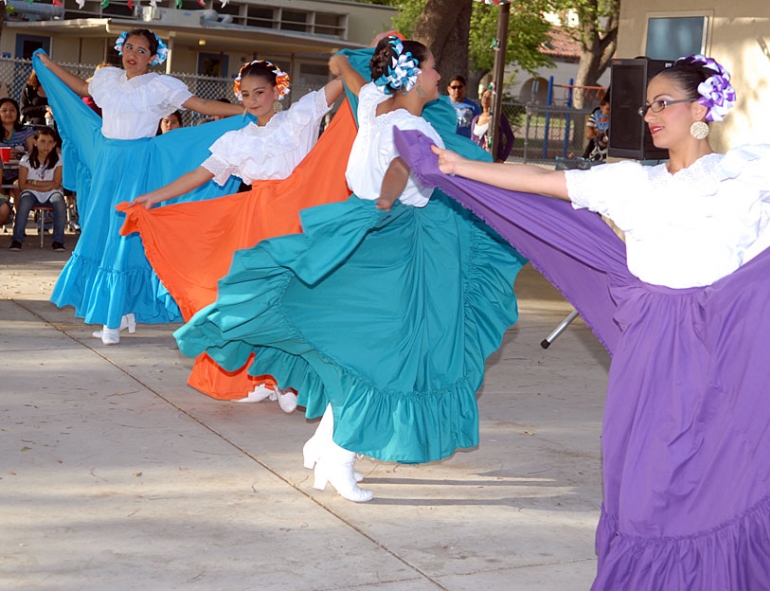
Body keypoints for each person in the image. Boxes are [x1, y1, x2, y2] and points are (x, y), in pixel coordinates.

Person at [412, 54, 770, 590]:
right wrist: (458, 166)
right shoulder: (630, 181)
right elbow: (540, 179)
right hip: (650, 340)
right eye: (648, 105)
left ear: (701, 110)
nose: (649, 115)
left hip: (727, 335)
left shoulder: (746, 171)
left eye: (662, 103)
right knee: (643, 470)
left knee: (726, 467)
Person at [173, 36, 523, 503]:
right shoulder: (412, 128)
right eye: (433, 67)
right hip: (395, 243)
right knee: (382, 355)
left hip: (368, 231)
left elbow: (348, 70)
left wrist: (353, 57)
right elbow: (404, 162)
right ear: (414, 76)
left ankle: (325, 445)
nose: (440, 75)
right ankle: (338, 452)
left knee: (365, 349)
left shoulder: (375, 100)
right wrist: (388, 195)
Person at [127, 59, 353, 412]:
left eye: (260, 92)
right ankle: (265, 376)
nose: (252, 100)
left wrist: (370, 52)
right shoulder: (237, 139)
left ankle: (292, 381)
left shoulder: (300, 117)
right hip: (256, 220)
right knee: (257, 300)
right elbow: (200, 173)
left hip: (298, 217)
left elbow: (340, 81)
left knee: (297, 298)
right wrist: (156, 196)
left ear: (278, 89)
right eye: (245, 94)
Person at [34, 28, 246, 345]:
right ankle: (122, 313)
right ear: (121, 48)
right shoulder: (108, 80)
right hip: (107, 161)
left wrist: (247, 111)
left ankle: (112, 321)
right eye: (129, 47)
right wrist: (49, 65)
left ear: (153, 57)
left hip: (136, 164)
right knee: (103, 229)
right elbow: (81, 87)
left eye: (142, 51)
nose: (133, 54)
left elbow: (201, 104)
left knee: (124, 233)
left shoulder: (159, 86)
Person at [8, 126, 65, 252]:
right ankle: (17, 239)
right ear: (35, 142)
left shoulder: (58, 159)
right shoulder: (26, 160)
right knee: (24, 201)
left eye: (50, 142)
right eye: (43, 141)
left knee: (59, 202)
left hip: (52, 192)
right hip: (31, 192)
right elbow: (22, 185)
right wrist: (45, 185)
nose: (46, 146)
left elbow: (56, 183)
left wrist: (33, 182)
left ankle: (58, 240)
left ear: (55, 144)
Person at [470, 88, 514, 162]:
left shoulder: (499, 118)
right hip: (476, 159)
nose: (485, 99)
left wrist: (502, 158)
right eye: (484, 96)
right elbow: (472, 140)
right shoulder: (476, 119)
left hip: (492, 159)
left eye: (489, 97)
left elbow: (511, 138)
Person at [447, 75, 481, 139]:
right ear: (449, 89)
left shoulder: (473, 107)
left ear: (465, 88)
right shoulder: (440, 104)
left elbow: (479, 128)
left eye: (460, 87)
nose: (457, 90)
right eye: (453, 87)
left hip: (465, 144)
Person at [583, 91, 609, 161]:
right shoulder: (597, 114)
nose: (609, 112)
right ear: (601, 107)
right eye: (608, 109)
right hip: (597, 145)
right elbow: (589, 133)